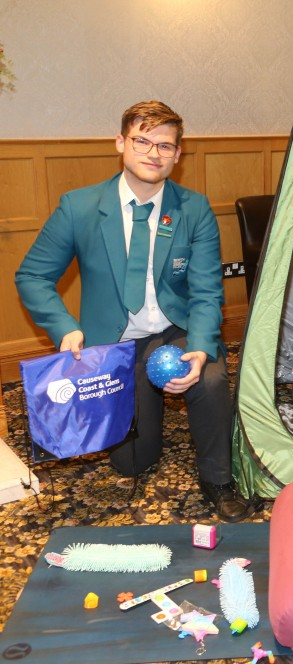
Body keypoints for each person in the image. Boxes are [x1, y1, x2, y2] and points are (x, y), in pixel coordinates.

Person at [15, 101, 254, 522]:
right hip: (116, 341)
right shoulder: (79, 206)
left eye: (164, 145)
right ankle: (148, 413)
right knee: (133, 463)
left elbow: (204, 291)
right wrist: (65, 328)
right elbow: (32, 276)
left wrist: (199, 349)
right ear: (121, 143)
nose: (152, 152)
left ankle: (218, 478)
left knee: (212, 379)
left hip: (175, 329)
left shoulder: (193, 210)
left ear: (178, 155)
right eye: (141, 140)